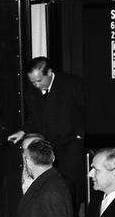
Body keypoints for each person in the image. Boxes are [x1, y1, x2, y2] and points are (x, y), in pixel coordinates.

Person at [6, 56, 86, 207]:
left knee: (69, 191)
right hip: (49, 146)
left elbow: (87, 113)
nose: (36, 85)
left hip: (71, 145)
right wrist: (23, 131)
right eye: (33, 82)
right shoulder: (32, 91)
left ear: (49, 72)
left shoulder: (72, 84)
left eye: (39, 80)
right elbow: (35, 117)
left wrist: (79, 137)